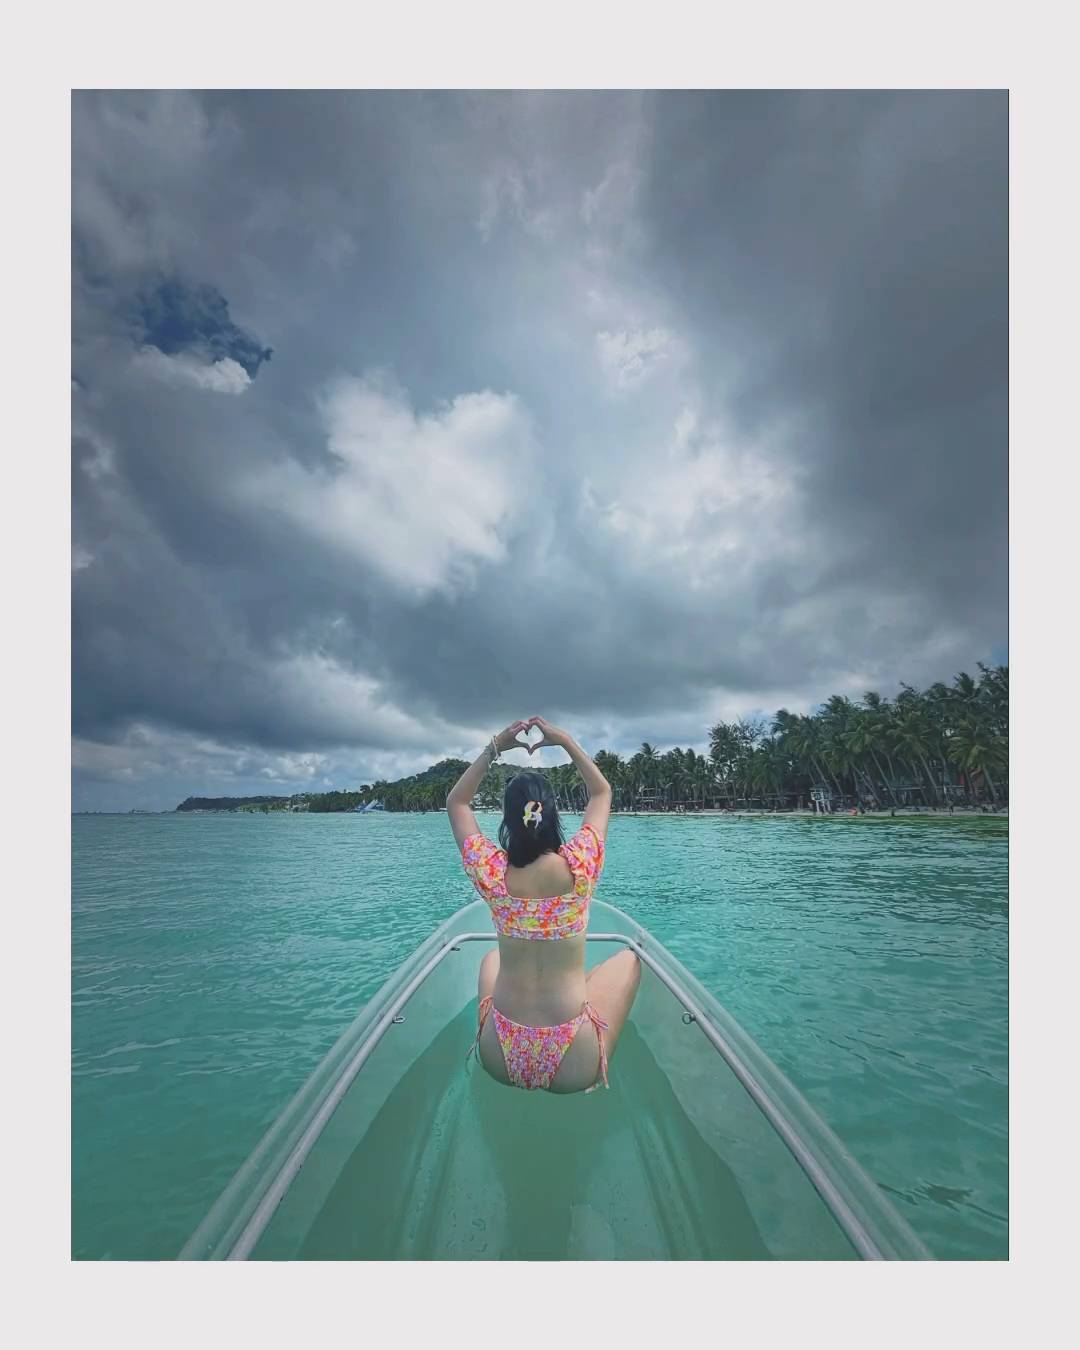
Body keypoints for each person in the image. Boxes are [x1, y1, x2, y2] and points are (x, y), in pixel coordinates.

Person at [446, 715, 640, 1094]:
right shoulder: (581, 864)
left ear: (507, 820)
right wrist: (564, 740)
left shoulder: (491, 872)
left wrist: (495, 748)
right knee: (631, 960)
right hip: (574, 1061)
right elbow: (601, 792)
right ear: (552, 814)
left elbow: (457, 802)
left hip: (499, 1055)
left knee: (491, 958)